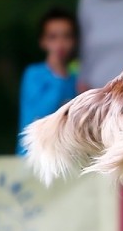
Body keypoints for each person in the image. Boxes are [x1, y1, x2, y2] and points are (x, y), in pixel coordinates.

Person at [17, 8, 79, 154]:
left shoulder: (76, 78)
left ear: (74, 41)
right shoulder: (33, 74)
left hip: (65, 160)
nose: (60, 43)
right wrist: (58, 75)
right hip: (33, 158)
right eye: (53, 37)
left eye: (66, 36)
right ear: (43, 42)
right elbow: (38, 116)